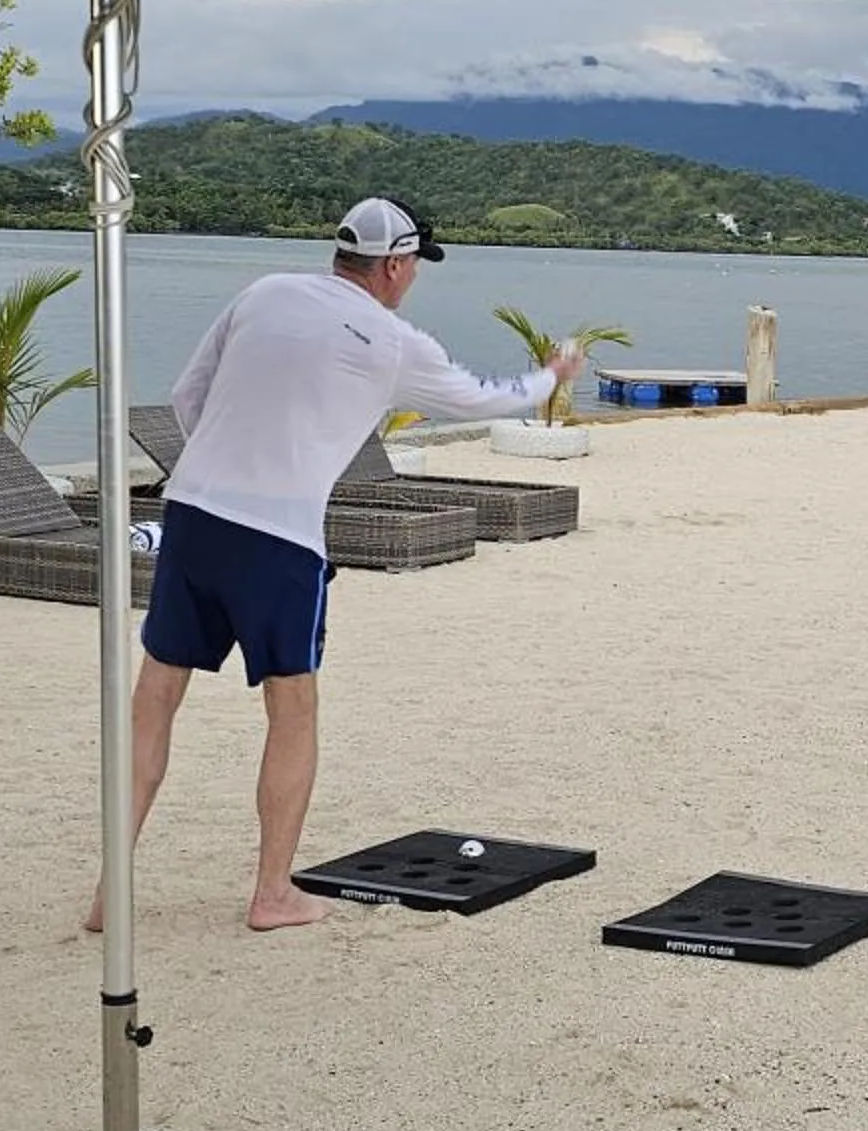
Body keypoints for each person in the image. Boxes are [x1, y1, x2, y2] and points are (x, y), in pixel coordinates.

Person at [87, 197, 583, 934]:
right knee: (292, 708)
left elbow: (189, 398)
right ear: (393, 265)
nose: (411, 278)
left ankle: (110, 894)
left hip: (192, 510)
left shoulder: (265, 293)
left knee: (156, 695)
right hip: (279, 537)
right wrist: (551, 375)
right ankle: (272, 893)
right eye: (413, 265)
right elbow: (481, 398)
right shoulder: (393, 340)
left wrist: (230, 464)